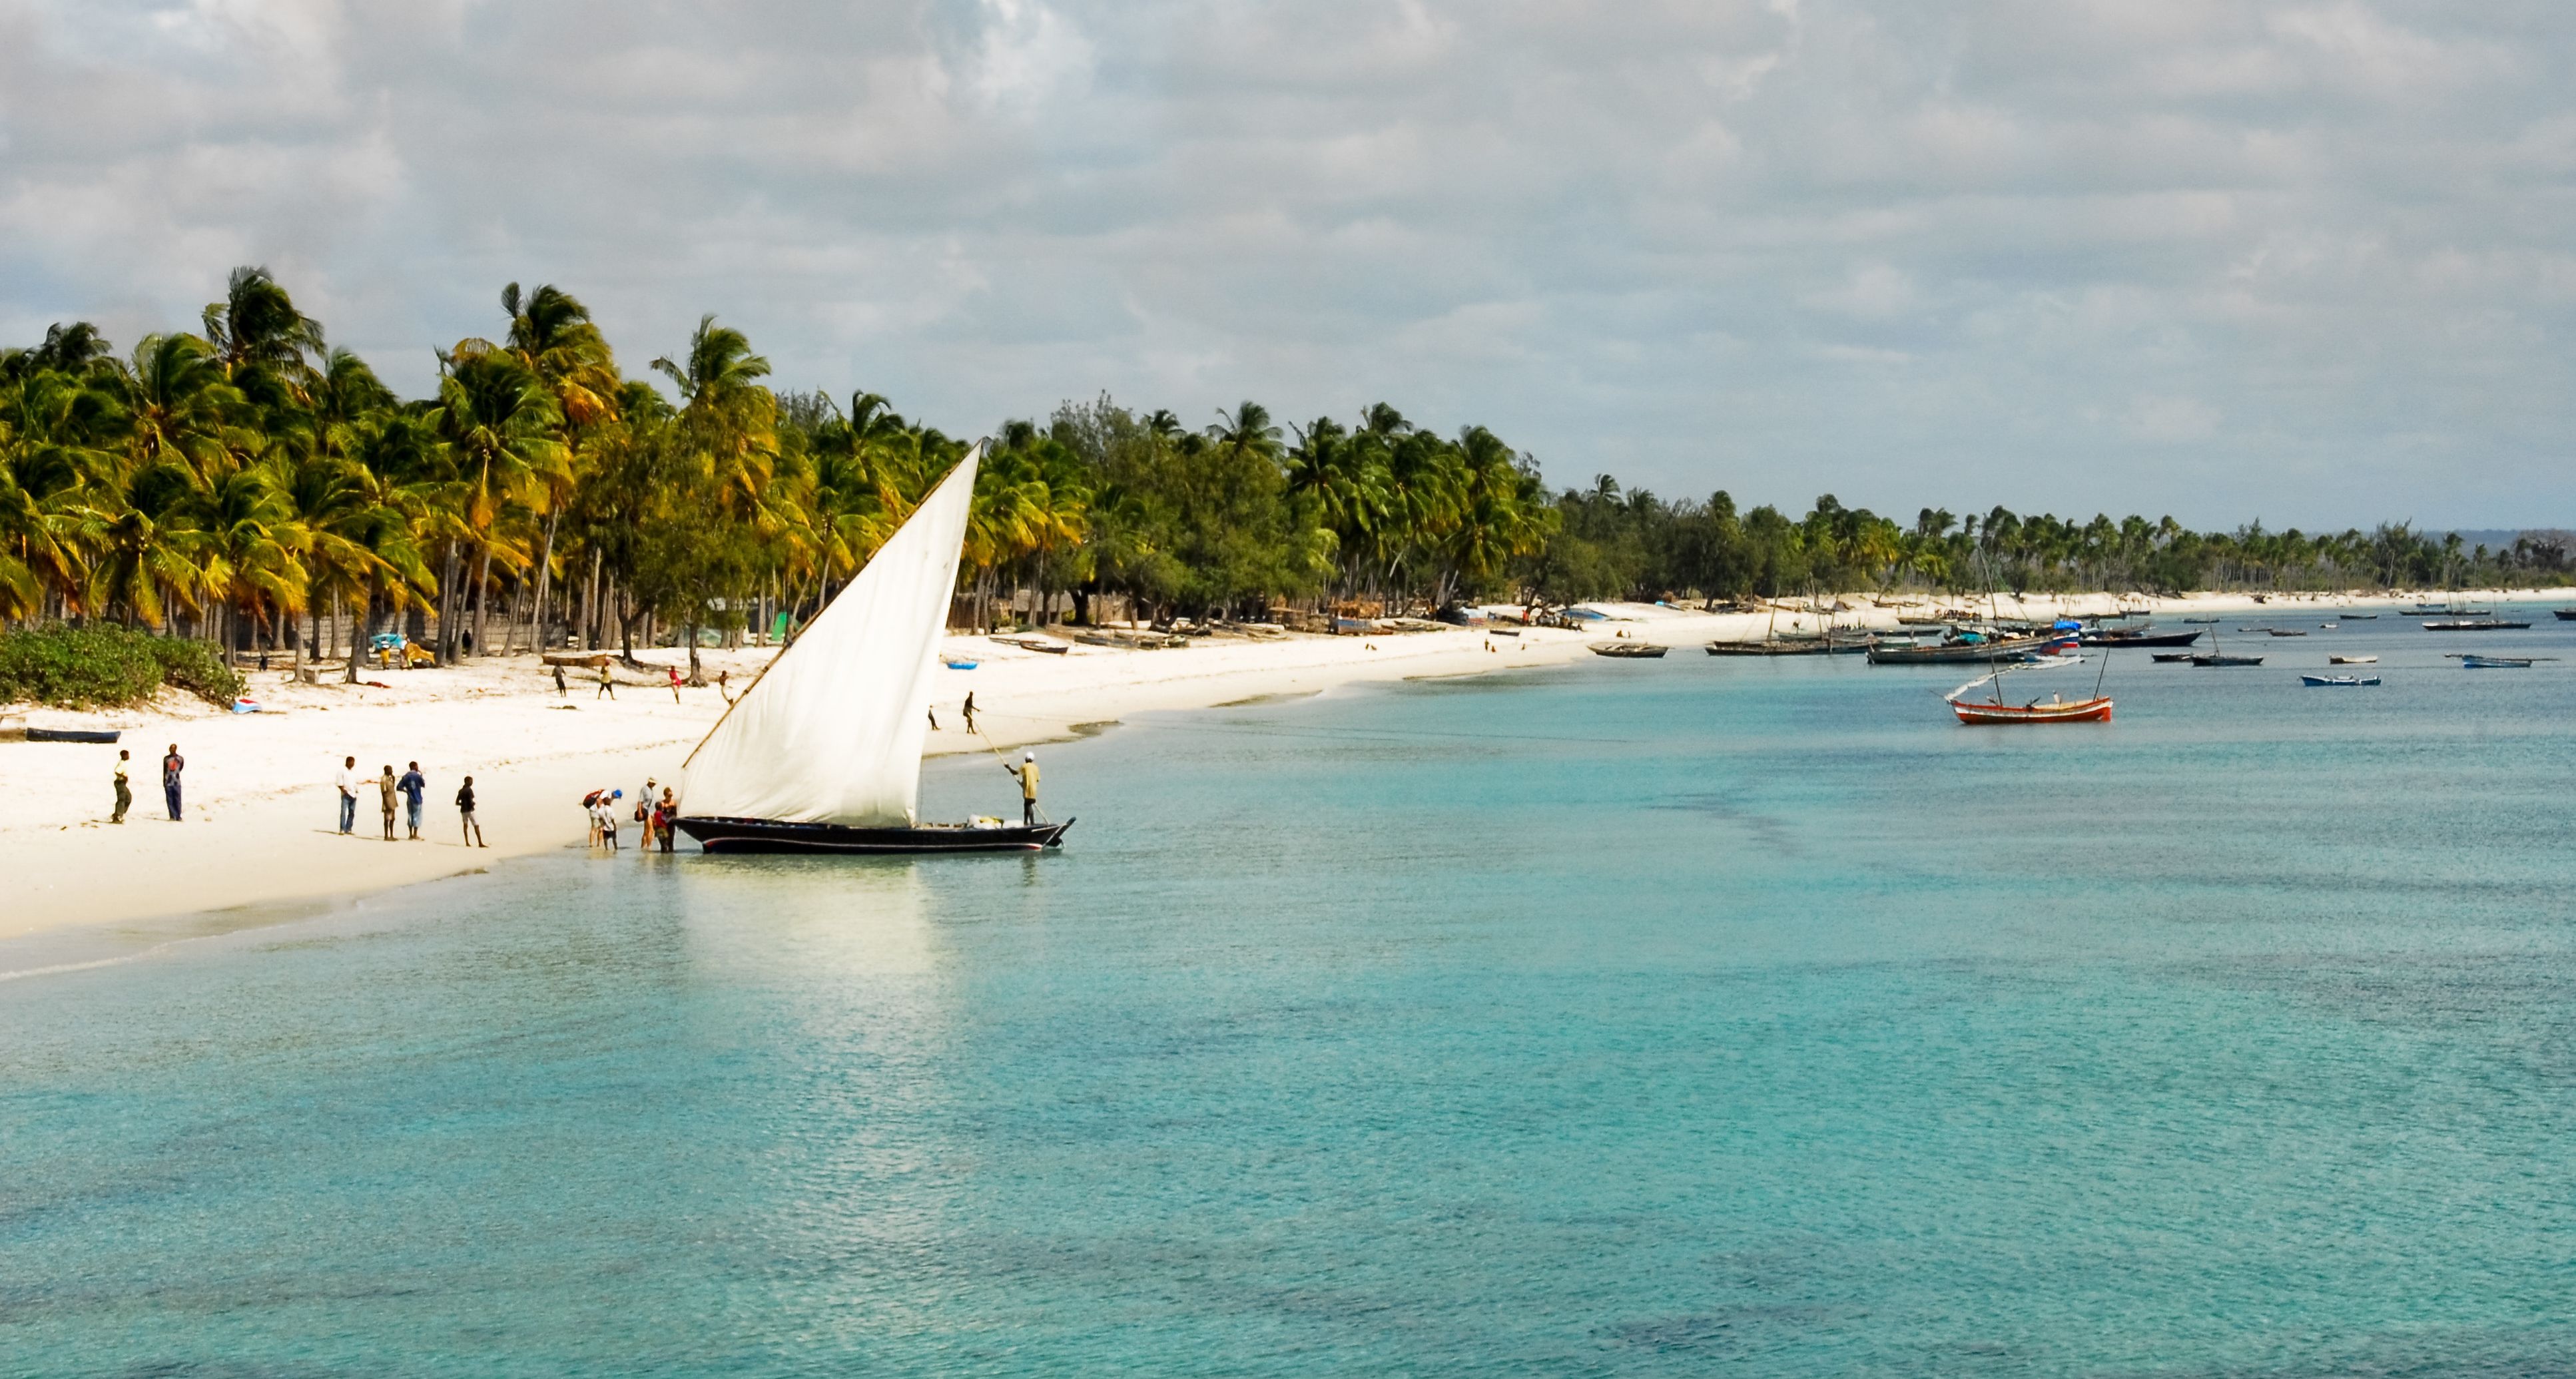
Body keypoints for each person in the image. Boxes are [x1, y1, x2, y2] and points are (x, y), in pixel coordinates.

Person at [1004, 751, 1040, 826]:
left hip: (1028, 790)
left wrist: (1008, 767)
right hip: (1034, 790)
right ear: (1033, 760)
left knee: (1028, 805)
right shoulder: (1036, 768)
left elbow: (1015, 773)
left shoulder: (1025, 766)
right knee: (1026, 804)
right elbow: (1037, 779)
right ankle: (1026, 822)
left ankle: (1032, 823)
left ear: (1026, 759)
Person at [398, 761, 428, 840]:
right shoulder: (417, 776)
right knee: (417, 816)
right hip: (417, 798)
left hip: (410, 798)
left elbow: (399, 787)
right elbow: (423, 784)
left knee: (410, 816)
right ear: (415, 767)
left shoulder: (406, 776)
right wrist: (421, 775)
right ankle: (415, 834)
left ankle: (410, 835)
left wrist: (406, 791)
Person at [457, 775, 485, 848]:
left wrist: (463, 804)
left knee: (465, 826)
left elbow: (457, 802)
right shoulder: (469, 790)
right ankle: (480, 843)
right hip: (470, 811)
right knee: (476, 826)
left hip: (463, 811)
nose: (472, 783)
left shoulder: (461, 791)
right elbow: (471, 801)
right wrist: (473, 804)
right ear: (467, 782)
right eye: (471, 781)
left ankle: (467, 842)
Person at [161, 743, 184, 822]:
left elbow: (181, 768)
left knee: (177, 799)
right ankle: (172, 816)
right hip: (168, 782)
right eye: (171, 748)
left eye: (173, 748)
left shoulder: (180, 758)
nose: (172, 750)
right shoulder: (166, 759)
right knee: (170, 800)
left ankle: (178, 816)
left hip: (176, 782)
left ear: (176, 749)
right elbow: (164, 770)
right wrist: (164, 780)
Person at [336, 756, 358, 834]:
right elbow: (339, 783)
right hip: (346, 795)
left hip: (353, 795)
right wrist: (344, 791)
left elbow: (354, 783)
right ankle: (342, 828)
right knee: (343, 812)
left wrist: (356, 791)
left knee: (352, 812)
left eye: (353, 762)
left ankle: (349, 828)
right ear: (348, 762)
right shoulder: (342, 771)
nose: (353, 764)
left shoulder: (352, 772)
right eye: (352, 762)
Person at [377, 764, 398, 841]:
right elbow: (384, 793)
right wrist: (387, 804)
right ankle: (386, 836)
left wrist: (393, 778)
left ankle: (391, 835)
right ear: (385, 770)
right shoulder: (384, 780)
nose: (391, 771)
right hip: (387, 802)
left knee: (392, 819)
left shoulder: (390, 778)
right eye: (390, 770)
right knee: (387, 819)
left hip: (393, 801)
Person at [111, 749, 131, 824]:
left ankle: (119, 813)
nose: (128, 756)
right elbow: (117, 771)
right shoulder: (121, 763)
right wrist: (124, 776)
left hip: (123, 783)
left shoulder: (124, 763)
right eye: (127, 755)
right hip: (120, 783)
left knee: (128, 798)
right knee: (122, 799)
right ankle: (118, 816)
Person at [655, 787, 677, 853]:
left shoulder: (674, 803)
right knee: (665, 841)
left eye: (671, 795)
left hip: (672, 823)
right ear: (665, 795)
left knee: (671, 841)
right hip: (664, 824)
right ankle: (664, 858)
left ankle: (671, 858)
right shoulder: (662, 804)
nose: (670, 797)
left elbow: (675, 814)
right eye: (669, 796)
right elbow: (659, 815)